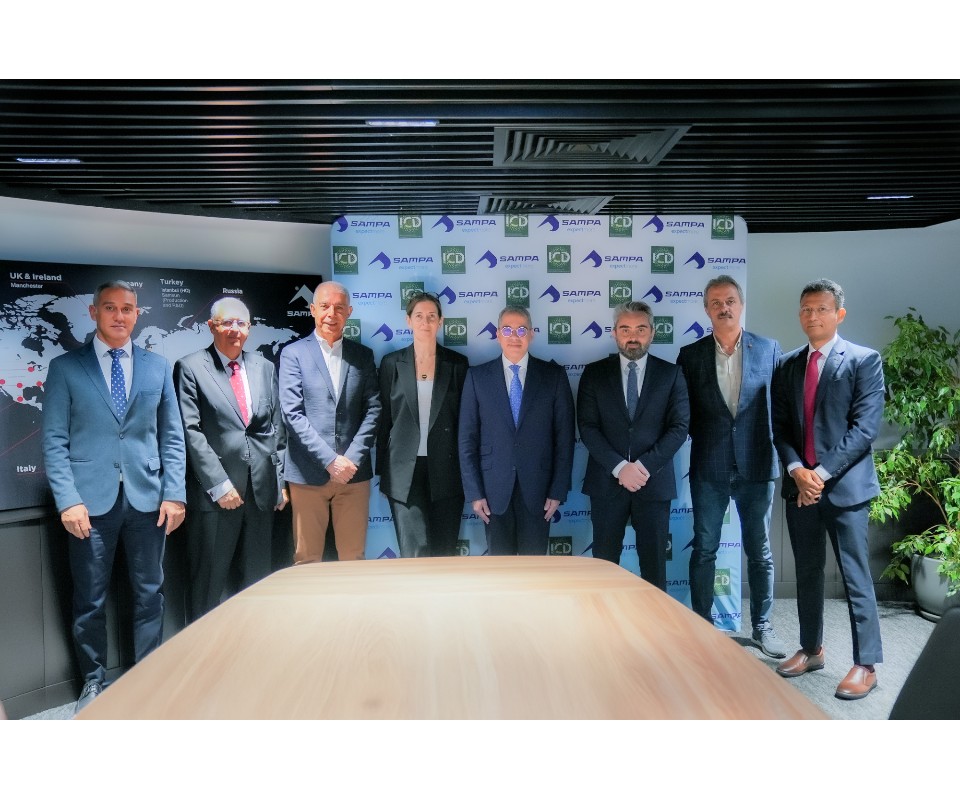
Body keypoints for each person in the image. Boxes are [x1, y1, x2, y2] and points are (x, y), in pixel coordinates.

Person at [42, 280, 186, 714]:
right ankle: (93, 680)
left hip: (148, 500)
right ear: (94, 313)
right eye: (110, 308)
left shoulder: (157, 367)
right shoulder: (66, 368)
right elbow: (54, 440)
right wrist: (68, 500)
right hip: (89, 503)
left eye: (127, 309)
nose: (119, 316)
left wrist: (175, 494)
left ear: (137, 314)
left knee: (150, 593)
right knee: (89, 599)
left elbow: (172, 437)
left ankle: (148, 677)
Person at [772, 278, 884, 700]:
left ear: (839, 314)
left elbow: (864, 429)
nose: (812, 316)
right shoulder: (787, 364)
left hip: (845, 489)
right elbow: (780, 427)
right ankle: (811, 648)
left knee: (855, 576)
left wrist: (818, 474)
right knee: (807, 571)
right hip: (800, 488)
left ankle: (866, 664)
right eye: (806, 309)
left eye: (821, 309)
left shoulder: (863, 360)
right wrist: (797, 470)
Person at [677, 276, 787, 657]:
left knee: (760, 550)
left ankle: (763, 626)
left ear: (741, 305)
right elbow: (683, 415)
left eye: (730, 301)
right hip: (709, 467)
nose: (723, 308)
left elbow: (781, 409)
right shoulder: (690, 356)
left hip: (757, 465)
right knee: (704, 548)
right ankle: (702, 624)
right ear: (706, 310)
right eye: (715, 303)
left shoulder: (769, 349)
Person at [174, 297, 288, 622]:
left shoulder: (264, 367)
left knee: (257, 584)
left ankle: (253, 646)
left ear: (249, 328)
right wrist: (219, 485)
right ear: (212, 326)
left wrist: (279, 482)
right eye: (227, 322)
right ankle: (203, 649)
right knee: (208, 586)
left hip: (261, 495)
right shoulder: (190, 367)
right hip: (217, 498)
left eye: (241, 323)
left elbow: (277, 429)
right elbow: (190, 431)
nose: (234, 330)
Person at [577, 301, 689, 591]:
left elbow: (679, 428)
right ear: (614, 333)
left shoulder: (671, 374)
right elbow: (587, 427)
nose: (633, 336)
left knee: (654, 567)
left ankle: (655, 620)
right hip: (606, 483)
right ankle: (605, 618)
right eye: (625, 329)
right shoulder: (594, 373)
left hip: (653, 483)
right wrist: (619, 467)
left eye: (640, 329)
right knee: (604, 566)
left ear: (652, 332)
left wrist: (642, 467)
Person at [458, 306, 574, 555]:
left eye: (521, 330)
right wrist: (475, 493)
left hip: (539, 492)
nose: (514, 336)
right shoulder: (477, 377)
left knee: (535, 570)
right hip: (492, 493)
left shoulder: (553, 376)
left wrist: (557, 490)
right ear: (498, 334)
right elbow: (467, 440)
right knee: (501, 571)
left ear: (531, 334)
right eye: (507, 330)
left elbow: (564, 439)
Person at [279, 282, 380, 563]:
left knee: (353, 558)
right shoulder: (293, 354)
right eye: (324, 306)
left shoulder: (363, 356)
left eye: (339, 308)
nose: (331, 314)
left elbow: (373, 409)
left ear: (349, 312)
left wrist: (351, 459)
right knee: (307, 559)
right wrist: (329, 460)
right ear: (313, 310)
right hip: (307, 474)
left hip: (353, 474)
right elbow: (292, 414)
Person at [377, 292, 469, 557]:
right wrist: (383, 472)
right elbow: (384, 420)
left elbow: (466, 423)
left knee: (444, 551)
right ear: (408, 321)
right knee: (415, 552)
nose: (425, 322)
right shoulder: (391, 363)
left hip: (448, 471)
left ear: (440, 321)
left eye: (431, 316)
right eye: (418, 316)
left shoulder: (457, 364)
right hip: (403, 474)